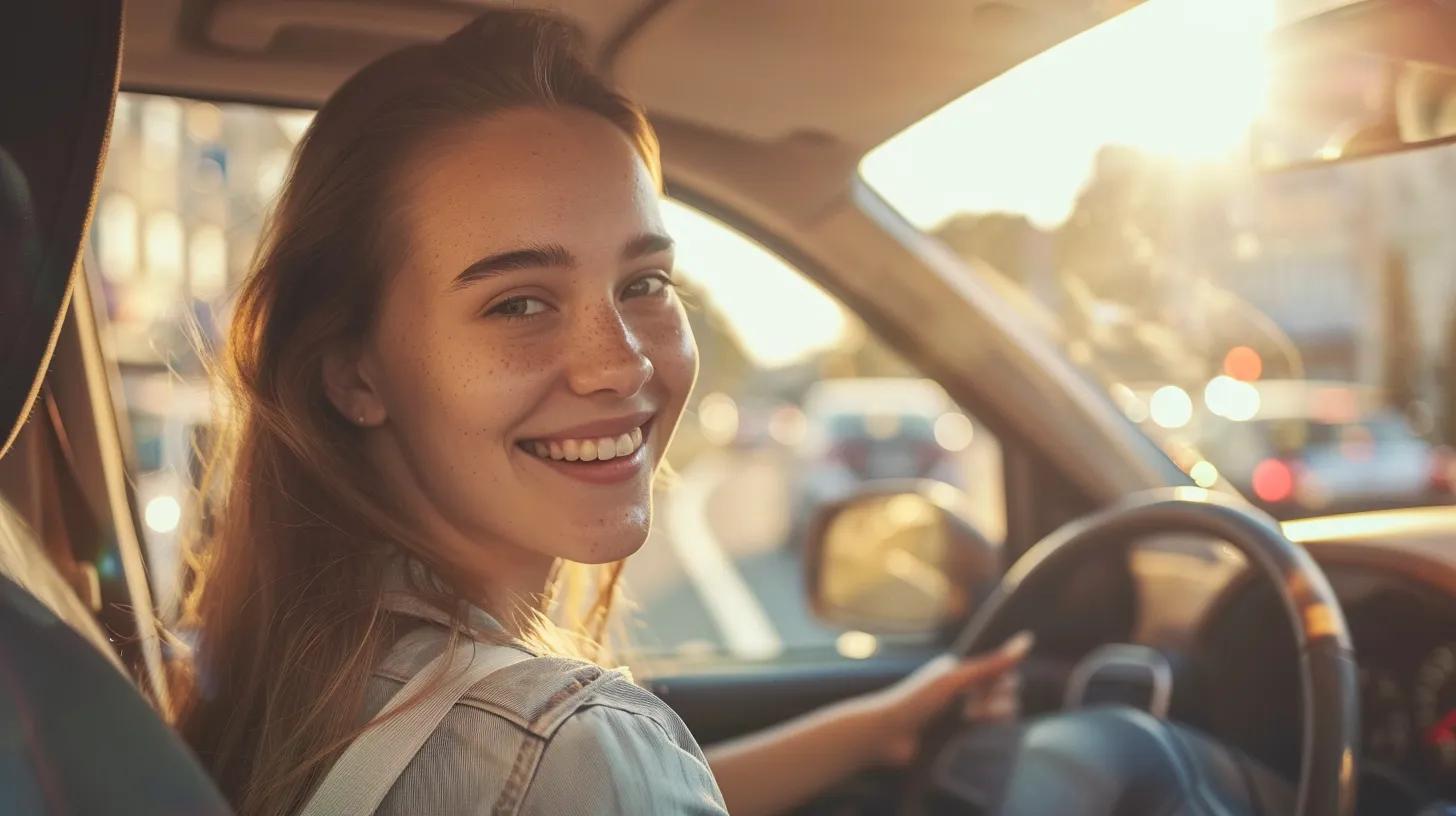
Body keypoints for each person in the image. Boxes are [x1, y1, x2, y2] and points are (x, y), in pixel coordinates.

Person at [171, 10, 1030, 816]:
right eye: (518, 304)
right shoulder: (574, 744)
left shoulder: (305, 673)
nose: (622, 363)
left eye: (645, 283)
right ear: (353, 377)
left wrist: (876, 729)